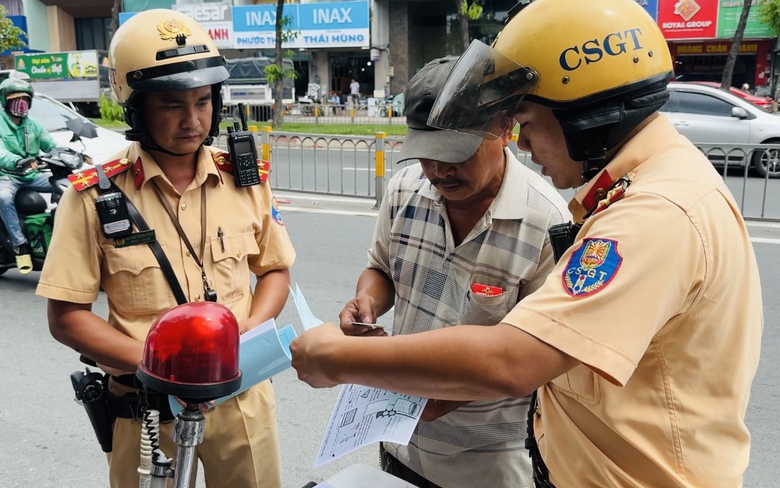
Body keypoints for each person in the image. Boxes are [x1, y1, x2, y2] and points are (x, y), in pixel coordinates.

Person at [290, 0, 763, 486]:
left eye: (529, 122)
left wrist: (338, 357)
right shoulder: (636, 192)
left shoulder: (656, 213)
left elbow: (515, 358)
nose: (522, 143)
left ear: (585, 114)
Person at [36, 9, 295, 488]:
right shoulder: (94, 197)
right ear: (136, 108)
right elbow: (67, 316)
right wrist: (157, 364)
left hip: (240, 398)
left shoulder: (244, 180)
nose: (193, 120)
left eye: (203, 101)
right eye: (172, 105)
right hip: (145, 409)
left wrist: (246, 338)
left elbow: (275, 270)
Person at [340, 56, 568, 488]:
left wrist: (444, 396)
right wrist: (368, 300)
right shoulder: (405, 190)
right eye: (428, 154)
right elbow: (381, 269)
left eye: (456, 154)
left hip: (490, 463)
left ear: (505, 129)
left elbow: (537, 362)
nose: (440, 171)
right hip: (400, 442)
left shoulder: (546, 224)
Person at [0, 77, 56, 274]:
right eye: (15, 100)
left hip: (32, 175)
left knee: (71, 185)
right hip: (7, 176)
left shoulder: (33, 125)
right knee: (4, 197)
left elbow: (51, 145)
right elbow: (2, 154)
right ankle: (20, 244)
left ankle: (62, 232)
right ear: (5, 102)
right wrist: (18, 161)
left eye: (24, 100)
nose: (20, 104)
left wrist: (72, 154)